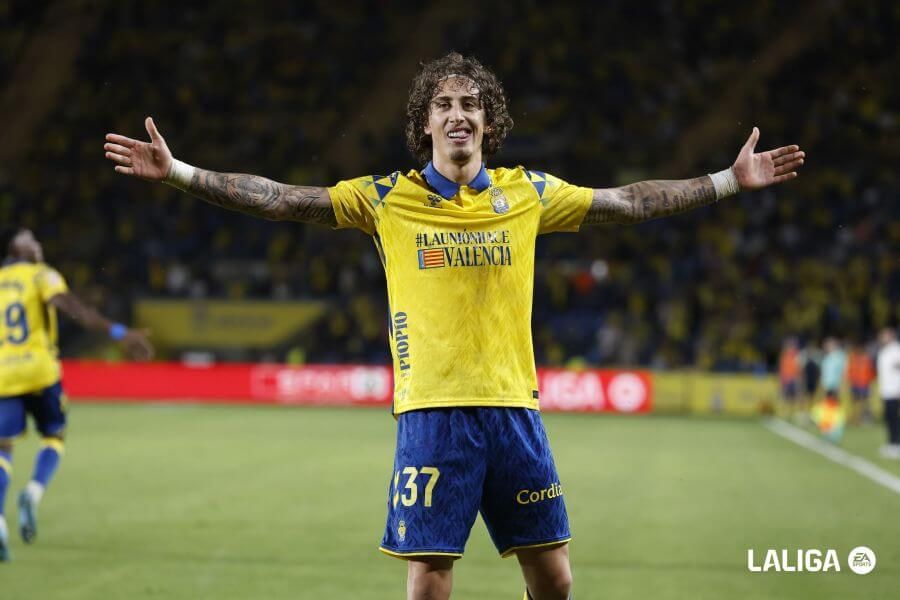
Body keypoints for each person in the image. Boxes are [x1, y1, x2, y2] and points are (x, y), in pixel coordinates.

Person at [103, 52, 804, 600]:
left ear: (489, 123)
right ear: (426, 124)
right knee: (431, 579)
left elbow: (626, 202)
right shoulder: (387, 199)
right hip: (432, 412)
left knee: (555, 579)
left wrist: (727, 181)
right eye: (444, 105)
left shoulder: (529, 193)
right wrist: (181, 173)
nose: (458, 114)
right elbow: (285, 200)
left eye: (471, 104)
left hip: (513, 409)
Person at [0, 227, 153, 562]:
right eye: (33, 242)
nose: (38, 245)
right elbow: (71, 307)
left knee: (3, 446)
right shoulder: (41, 274)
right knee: (55, 434)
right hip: (39, 370)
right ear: (23, 251)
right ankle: (34, 491)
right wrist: (119, 332)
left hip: (3, 376)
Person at [876, 328, 900, 459]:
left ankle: (897, 443)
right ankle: (891, 443)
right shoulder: (884, 351)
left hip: (895, 390)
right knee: (889, 418)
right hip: (886, 390)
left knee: (895, 418)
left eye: (884, 335)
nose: (882, 338)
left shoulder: (896, 350)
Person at [846, 341, 875, 425]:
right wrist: (851, 380)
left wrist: (869, 381)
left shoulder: (866, 359)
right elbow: (850, 371)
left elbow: (871, 371)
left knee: (865, 402)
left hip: (864, 383)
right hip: (855, 383)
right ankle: (855, 419)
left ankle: (866, 418)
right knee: (855, 401)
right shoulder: (853, 358)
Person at [778, 337, 801, 418]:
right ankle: (785, 412)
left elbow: (798, 368)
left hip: (794, 378)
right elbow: (782, 368)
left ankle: (792, 412)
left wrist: (798, 378)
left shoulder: (797, 355)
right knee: (785, 397)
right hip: (786, 379)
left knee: (794, 397)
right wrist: (782, 378)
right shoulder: (784, 355)